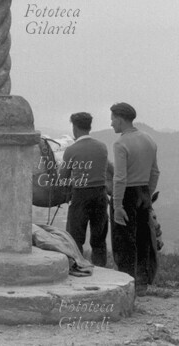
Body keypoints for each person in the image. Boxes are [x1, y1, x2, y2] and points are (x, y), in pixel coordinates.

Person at [109, 102, 160, 296]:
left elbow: (119, 177)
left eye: (113, 118)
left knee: (124, 240)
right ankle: (141, 283)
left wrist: (117, 204)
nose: (111, 122)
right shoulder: (149, 139)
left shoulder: (121, 143)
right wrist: (147, 193)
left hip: (126, 195)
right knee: (143, 239)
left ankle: (125, 283)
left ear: (120, 119)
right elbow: (155, 171)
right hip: (143, 191)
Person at [62, 112, 109, 267]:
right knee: (99, 239)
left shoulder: (71, 150)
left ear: (74, 128)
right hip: (101, 195)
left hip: (80, 196)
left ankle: (78, 268)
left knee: (75, 238)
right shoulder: (102, 147)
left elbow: (63, 178)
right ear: (89, 126)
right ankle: (102, 270)